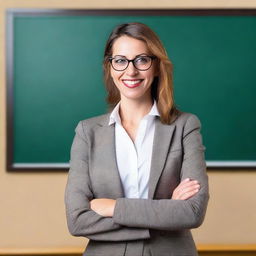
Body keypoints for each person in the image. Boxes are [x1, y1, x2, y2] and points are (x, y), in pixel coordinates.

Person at [65, 22, 209, 256]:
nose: (130, 71)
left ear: (156, 66)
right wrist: (165, 213)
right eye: (120, 60)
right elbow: (78, 220)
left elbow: (192, 212)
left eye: (142, 60)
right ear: (110, 67)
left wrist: (113, 207)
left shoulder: (185, 126)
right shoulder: (86, 132)